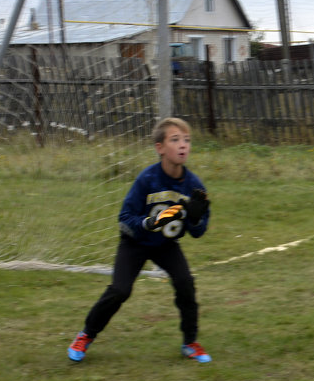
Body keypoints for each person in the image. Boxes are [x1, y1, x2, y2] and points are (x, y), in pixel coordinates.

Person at [67, 117, 213, 363]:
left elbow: (198, 232)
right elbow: (124, 217)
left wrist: (196, 220)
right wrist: (147, 223)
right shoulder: (147, 179)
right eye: (175, 139)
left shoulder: (194, 185)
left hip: (166, 246)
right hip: (134, 243)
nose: (183, 145)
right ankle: (86, 335)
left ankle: (190, 342)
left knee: (185, 282)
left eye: (187, 140)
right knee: (120, 290)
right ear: (160, 148)